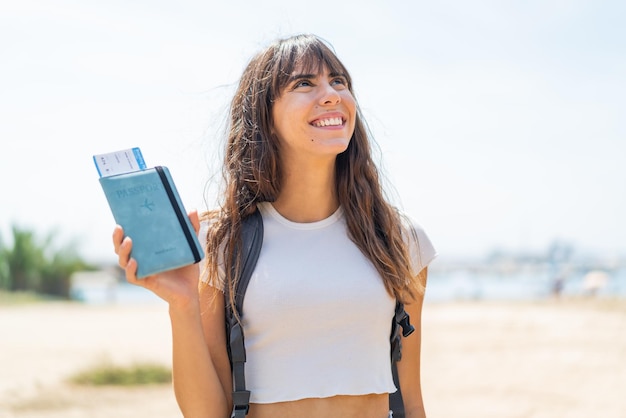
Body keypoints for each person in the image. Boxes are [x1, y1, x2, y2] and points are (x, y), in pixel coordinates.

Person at [113, 34, 436, 418]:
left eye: (339, 81)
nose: (331, 94)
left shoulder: (399, 238)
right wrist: (183, 304)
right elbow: (208, 413)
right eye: (304, 83)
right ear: (264, 114)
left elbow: (410, 401)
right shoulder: (221, 243)